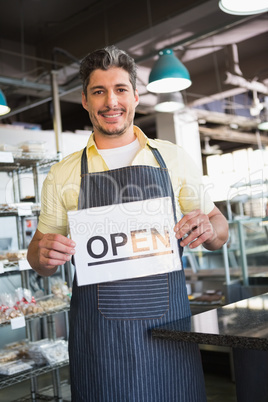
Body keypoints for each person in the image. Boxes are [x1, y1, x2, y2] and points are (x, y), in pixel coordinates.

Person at [27, 45, 228, 402]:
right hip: (100, 341)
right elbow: (37, 255)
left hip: (170, 332)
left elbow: (218, 225)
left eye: (120, 89)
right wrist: (42, 255)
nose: (111, 102)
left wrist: (211, 229)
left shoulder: (171, 157)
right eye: (98, 91)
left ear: (135, 95)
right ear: (86, 101)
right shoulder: (63, 173)